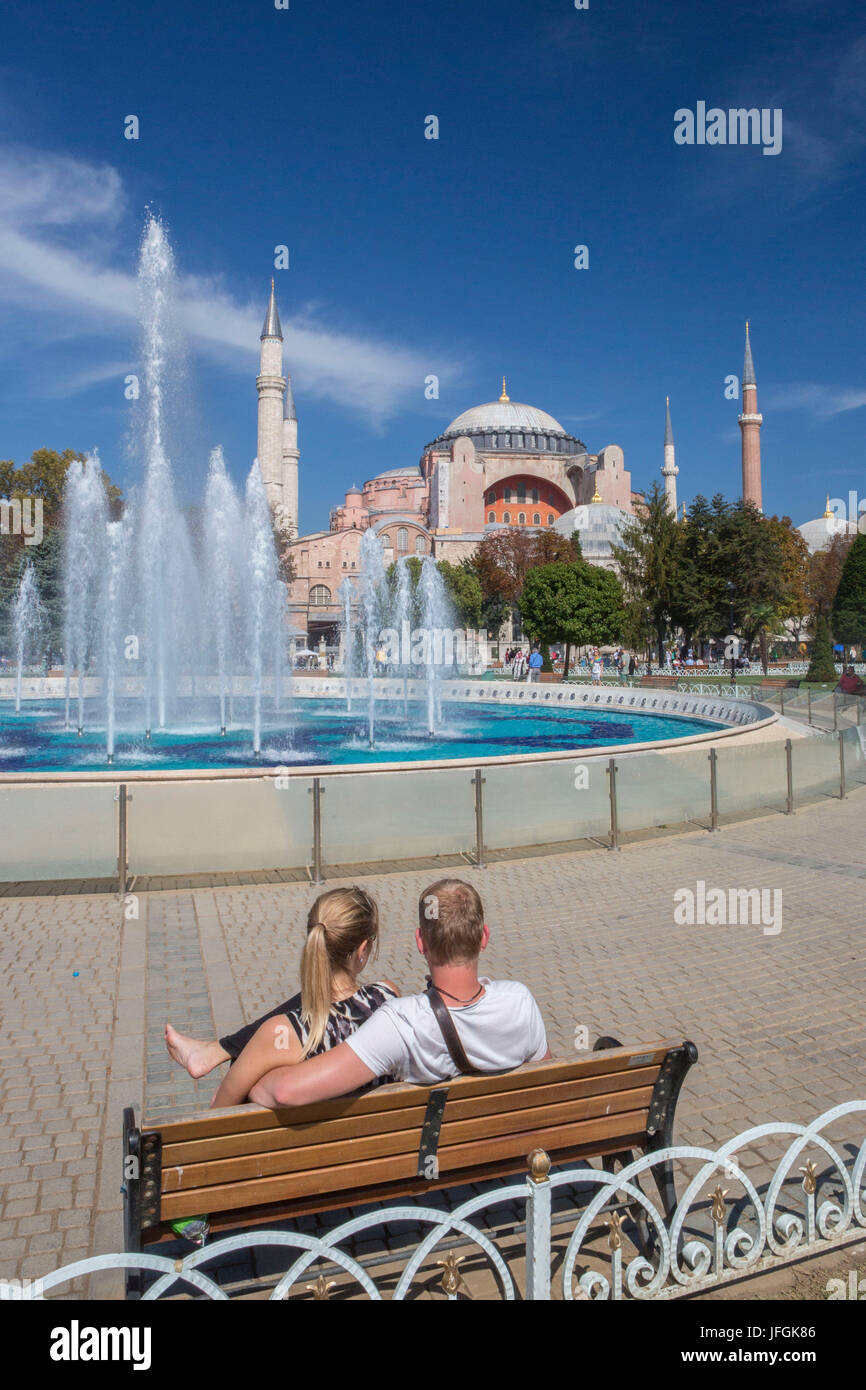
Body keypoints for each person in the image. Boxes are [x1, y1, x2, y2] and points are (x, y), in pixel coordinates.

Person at [248, 878, 550, 1108]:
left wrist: (256, 1081)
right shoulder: (520, 1000)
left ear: (421, 943)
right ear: (484, 937)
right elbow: (546, 1078)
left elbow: (285, 1092)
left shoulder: (402, 1021)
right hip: (507, 1149)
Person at [164, 886, 399, 1106]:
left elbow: (221, 1113)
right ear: (363, 949)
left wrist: (256, 1088)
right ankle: (216, 1051)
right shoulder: (389, 999)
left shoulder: (280, 1034)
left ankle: (217, 1051)